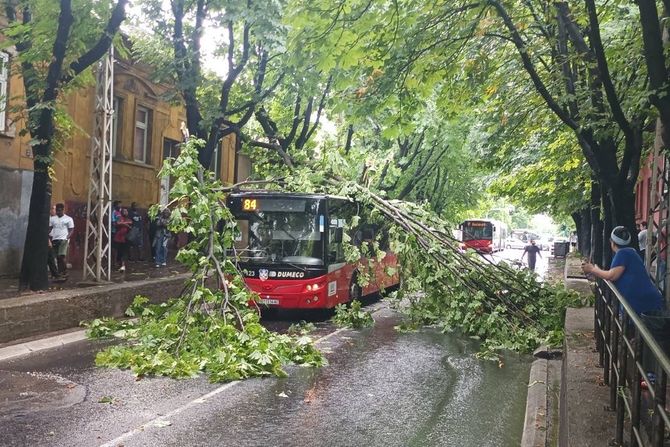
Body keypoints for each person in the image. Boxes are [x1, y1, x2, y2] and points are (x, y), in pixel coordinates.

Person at [582, 226, 664, 316]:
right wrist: (596, 269)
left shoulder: (622, 253)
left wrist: (592, 269)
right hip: (646, 298)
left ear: (612, 243)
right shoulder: (631, 252)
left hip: (641, 301)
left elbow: (611, 275)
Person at [49, 203, 75, 278]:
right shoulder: (53, 219)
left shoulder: (68, 219)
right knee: (57, 257)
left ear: (63, 210)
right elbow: (50, 228)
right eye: (57, 210)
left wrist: (67, 237)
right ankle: (60, 272)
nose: (58, 212)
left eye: (60, 210)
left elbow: (71, 229)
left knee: (61, 255)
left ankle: (65, 271)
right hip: (55, 239)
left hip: (63, 239)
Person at [113, 208, 132, 272]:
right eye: (124, 211)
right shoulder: (119, 218)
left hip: (125, 238)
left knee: (124, 252)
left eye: (126, 211)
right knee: (117, 251)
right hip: (118, 238)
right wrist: (125, 224)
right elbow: (117, 223)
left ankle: (123, 265)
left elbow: (130, 223)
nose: (125, 212)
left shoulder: (128, 219)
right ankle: (116, 263)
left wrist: (123, 223)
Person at [47, 205, 60, 280]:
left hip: (56, 239)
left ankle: (55, 274)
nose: (53, 210)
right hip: (49, 239)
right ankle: (55, 274)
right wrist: (48, 240)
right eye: (52, 208)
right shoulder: (48, 219)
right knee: (50, 257)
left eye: (54, 209)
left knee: (52, 257)